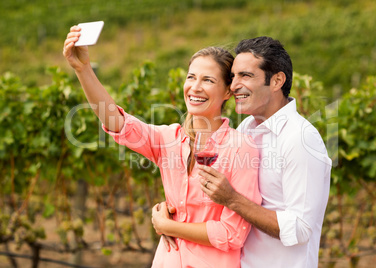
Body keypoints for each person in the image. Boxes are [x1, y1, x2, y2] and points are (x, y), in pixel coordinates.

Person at [63, 25, 261, 268]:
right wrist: (82, 69)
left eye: (208, 80)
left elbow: (232, 233)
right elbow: (117, 122)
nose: (195, 87)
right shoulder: (169, 139)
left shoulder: (241, 148)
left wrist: (169, 227)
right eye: (191, 77)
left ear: (228, 91)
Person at [197, 36, 332, 267]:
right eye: (233, 76)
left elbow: (299, 229)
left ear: (277, 80)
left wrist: (232, 199)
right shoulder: (246, 128)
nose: (233, 85)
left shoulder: (300, 139)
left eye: (246, 75)